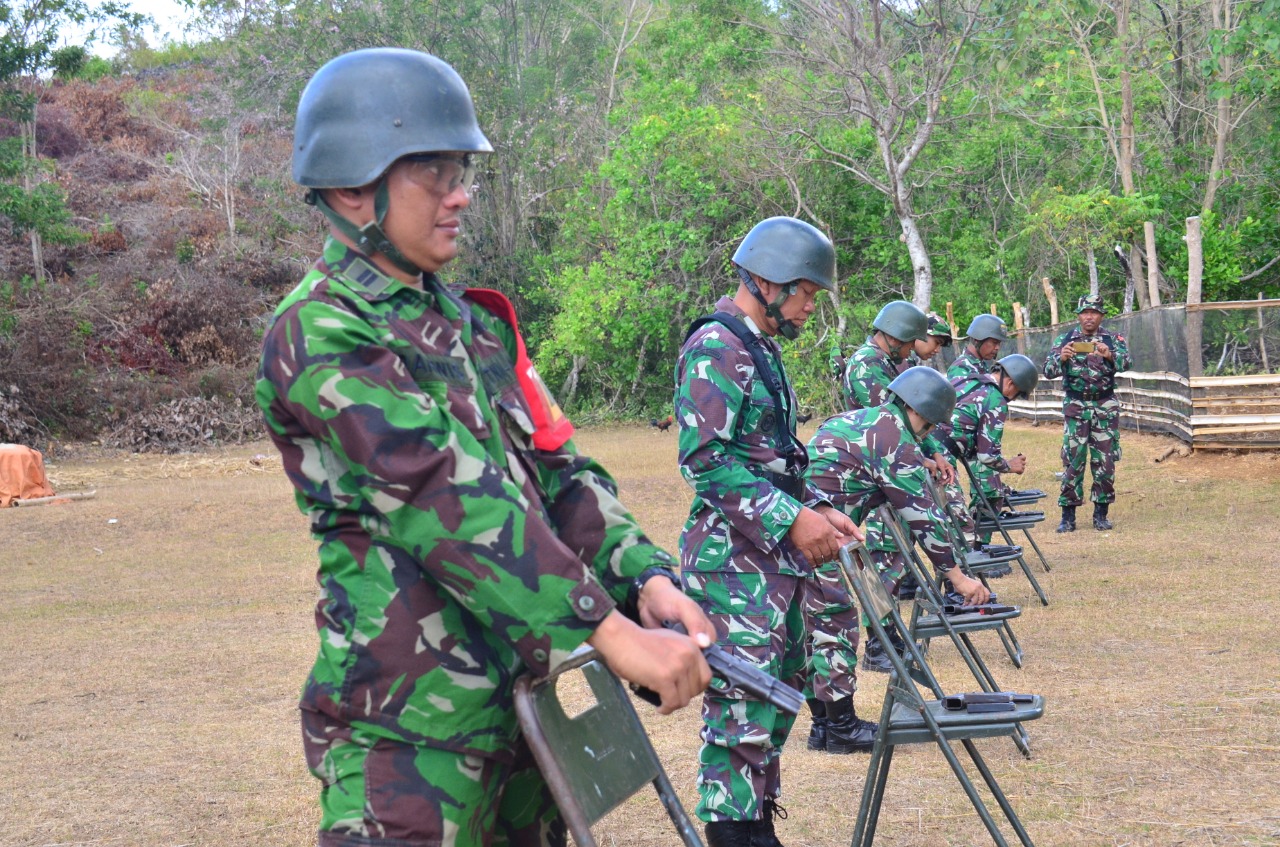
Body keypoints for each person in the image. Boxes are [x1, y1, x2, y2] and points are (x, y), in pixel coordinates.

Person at [256, 48, 714, 847]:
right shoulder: (322, 330)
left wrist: (646, 577)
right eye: (432, 172)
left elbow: (557, 470)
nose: (459, 193)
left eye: (461, 169)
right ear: (350, 187)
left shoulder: (470, 324)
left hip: (525, 722)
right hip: (409, 742)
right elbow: (448, 498)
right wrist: (608, 630)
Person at [675, 216, 863, 846]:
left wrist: (817, 507)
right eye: (806, 292)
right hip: (733, 563)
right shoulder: (717, 347)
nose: (810, 306)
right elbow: (705, 461)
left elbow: (772, 459)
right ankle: (733, 832)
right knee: (741, 703)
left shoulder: (759, 347)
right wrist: (793, 519)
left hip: (770, 561)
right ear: (766, 279)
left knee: (778, 691)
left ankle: (755, 821)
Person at [807, 367, 992, 625]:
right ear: (917, 409)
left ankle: (883, 646)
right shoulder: (895, 444)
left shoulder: (871, 419)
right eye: (931, 422)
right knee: (836, 625)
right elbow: (925, 519)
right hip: (814, 539)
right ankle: (880, 650)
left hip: (805, 525)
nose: (930, 431)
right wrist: (958, 579)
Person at [1043, 294, 1132, 532]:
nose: (1089, 317)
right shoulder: (1066, 339)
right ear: (1079, 315)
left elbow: (1127, 363)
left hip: (1104, 407)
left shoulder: (1112, 339)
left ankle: (1101, 514)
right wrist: (1061, 359)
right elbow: (1048, 370)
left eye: (1094, 312)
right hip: (1076, 407)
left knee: (1105, 461)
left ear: (1101, 315)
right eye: (1085, 312)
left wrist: (1109, 355)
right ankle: (1068, 516)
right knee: (1073, 460)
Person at [937, 354, 1039, 516]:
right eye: (1018, 393)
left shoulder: (968, 379)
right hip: (940, 458)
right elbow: (988, 456)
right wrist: (1010, 465)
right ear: (1011, 384)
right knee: (960, 525)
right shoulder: (995, 398)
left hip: (922, 447)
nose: (1013, 398)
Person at [948, 314, 1008, 380]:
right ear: (977, 339)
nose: (997, 348)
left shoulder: (981, 365)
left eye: (999, 343)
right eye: (994, 342)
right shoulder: (960, 368)